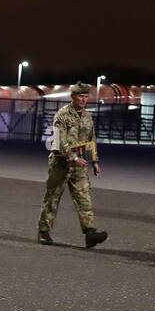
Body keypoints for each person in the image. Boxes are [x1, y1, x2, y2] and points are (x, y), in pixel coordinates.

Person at [38, 83, 107, 248]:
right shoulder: (61, 115)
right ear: (73, 97)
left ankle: (90, 233)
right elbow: (60, 141)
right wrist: (74, 158)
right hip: (60, 163)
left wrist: (95, 161)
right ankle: (43, 231)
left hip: (79, 165)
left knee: (84, 198)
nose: (83, 99)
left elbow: (92, 140)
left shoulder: (87, 116)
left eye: (85, 96)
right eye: (80, 96)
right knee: (52, 197)